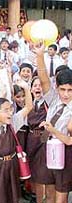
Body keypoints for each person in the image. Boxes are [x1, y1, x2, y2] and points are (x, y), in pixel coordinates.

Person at [0, 79, 33, 203]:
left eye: (11, 109)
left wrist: (26, 88)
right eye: (6, 110)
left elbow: (29, 106)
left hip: (12, 165)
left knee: (12, 196)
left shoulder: (13, 123)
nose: (10, 112)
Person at [35, 42, 72, 203]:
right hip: (48, 148)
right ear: (57, 88)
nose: (66, 94)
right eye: (63, 89)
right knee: (49, 192)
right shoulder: (54, 98)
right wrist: (39, 55)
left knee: (61, 196)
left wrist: (53, 130)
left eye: (70, 90)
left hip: (66, 152)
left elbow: (70, 140)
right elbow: (43, 80)